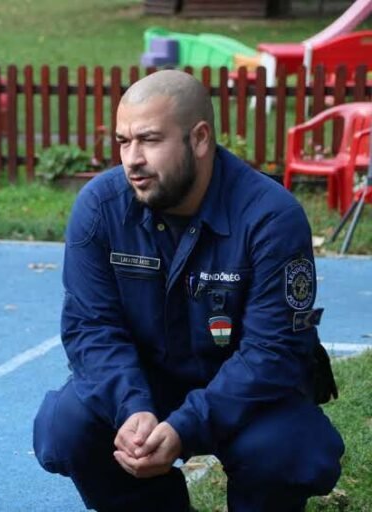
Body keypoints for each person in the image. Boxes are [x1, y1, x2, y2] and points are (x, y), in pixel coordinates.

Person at [33, 70, 344, 512]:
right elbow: (90, 327)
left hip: (248, 389)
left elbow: (273, 352)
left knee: (290, 451)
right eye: (124, 141)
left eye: (150, 140)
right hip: (146, 385)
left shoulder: (271, 216)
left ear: (199, 139)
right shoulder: (100, 208)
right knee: (66, 427)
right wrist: (131, 409)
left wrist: (186, 426)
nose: (132, 159)